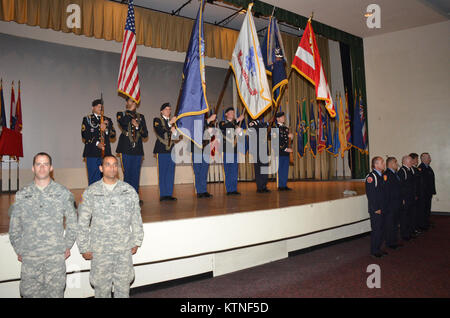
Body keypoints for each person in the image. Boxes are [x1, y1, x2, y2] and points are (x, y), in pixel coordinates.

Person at [8, 152, 77, 298]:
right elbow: (14, 226)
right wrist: (20, 249)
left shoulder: (62, 193)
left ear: (51, 168)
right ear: (33, 168)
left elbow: (72, 222)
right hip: (31, 259)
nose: (42, 167)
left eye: (45, 164)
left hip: (55, 258)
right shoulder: (22, 195)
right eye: (38, 164)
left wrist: (66, 245)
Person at [77, 155, 144, 298]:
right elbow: (82, 222)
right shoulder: (90, 192)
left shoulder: (129, 190)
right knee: (101, 290)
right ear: (101, 168)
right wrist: (84, 246)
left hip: (123, 249)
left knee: (123, 289)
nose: (112, 168)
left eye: (114, 164)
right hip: (100, 251)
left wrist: (137, 240)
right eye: (107, 164)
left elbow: (136, 218)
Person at [116, 97, 148, 204]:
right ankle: (126, 197)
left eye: (133, 101)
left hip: (137, 148)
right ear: (127, 103)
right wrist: (130, 113)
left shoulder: (141, 117)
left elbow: (145, 134)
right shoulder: (121, 114)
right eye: (130, 101)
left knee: (136, 173)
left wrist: (138, 126)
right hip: (126, 147)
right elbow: (123, 123)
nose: (132, 102)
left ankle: (135, 197)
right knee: (128, 173)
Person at [82, 99, 116, 185]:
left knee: (106, 177)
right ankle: (93, 197)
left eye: (101, 107)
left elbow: (113, 135)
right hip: (92, 152)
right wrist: (97, 143)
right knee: (93, 177)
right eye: (98, 106)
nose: (100, 108)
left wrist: (106, 129)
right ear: (93, 108)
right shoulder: (87, 119)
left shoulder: (107, 120)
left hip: (105, 153)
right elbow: (85, 134)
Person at [153, 102, 178, 201]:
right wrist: (170, 123)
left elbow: (176, 138)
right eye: (166, 109)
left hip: (172, 149)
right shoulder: (157, 120)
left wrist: (175, 132)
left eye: (169, 109)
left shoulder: (173, 122)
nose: (169, 111)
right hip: (161, 149)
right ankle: (163, 194)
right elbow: (160, 130)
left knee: (170, 172)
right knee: (162, 171)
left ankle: (169, 193)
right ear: (161, 111)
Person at [365, 156, 387, 258]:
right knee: (376, 230)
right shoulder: (371, 177)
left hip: (382, 207)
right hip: (376, 209)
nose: (384, 164)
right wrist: (376, 208)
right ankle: (374, 251)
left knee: (381, 229)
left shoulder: (381, 175)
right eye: (382, 162)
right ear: (376, 165)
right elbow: (371, 195)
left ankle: (378, 248)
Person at [219, 107, 245, 195]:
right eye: (230, 112)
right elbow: (227, 127)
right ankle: (229, 189)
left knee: (234, 170)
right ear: (226, 114)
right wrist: (237, 120)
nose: (232, 114)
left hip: (234, 149)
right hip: (227, 149)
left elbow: (240, 136)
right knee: (228, 170)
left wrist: (240, 131)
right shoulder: (222, 123)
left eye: (233, 112)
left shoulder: (235, 124)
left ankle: (234, 189)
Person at [191, 113, 216, 198]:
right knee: (198, 170)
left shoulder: (208, 123)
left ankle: (204, 190)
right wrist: (208, 120)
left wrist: (211, 131)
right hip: (197, 148)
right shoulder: (193, 119)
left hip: (205, 148)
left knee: (204, 170)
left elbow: (211, 135)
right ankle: (199, 191)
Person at [383, 157, 403, 250]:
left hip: (396, 203)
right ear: (390, 164)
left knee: (395, 224)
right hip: (391, 205)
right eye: (395, 162)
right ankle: (390, 243)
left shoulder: (395, 174)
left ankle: (394, 241)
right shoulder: (387, 175)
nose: (397, 164)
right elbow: (386, 192)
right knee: (390, 225)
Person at [248, 115, 271, 193]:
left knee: (265, 168)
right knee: (258, 168)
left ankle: (264, 185)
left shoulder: (261, 123)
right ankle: (260, 187)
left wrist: (269, 126)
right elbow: (257, 128)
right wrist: (267, 123)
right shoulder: (252, 123)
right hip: (257, 149)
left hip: (264, 149)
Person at [274, 111, 293, 191]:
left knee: (285, 169)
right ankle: (280, 185)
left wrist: (291, 138)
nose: (283, 118)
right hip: (280, 151)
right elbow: (276, 142)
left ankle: (284, 185)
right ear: (278, 119)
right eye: (282, 117)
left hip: (286, 152)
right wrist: (285, 149)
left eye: (283, 117)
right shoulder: (275, 128)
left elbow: (286, 140)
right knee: (280, 169)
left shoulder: (286, 128)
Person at [398, 155, 415, 241]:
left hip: (410, 197)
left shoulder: (409, 170)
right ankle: (404, 234)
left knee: (409, 216)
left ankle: (409, 232)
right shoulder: (402, 171)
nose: (412, 162)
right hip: (405, 198)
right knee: (404, 217)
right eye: (411, 161)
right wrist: (402, 199)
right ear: (406, 162)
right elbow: (401, 187)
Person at [418, 152, 436, 230]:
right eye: (428, 158)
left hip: (428, 193)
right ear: (423, 159)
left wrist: (432, 191)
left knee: (427, 209)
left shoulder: (428, 167)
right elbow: (422, 183)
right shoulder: (421, 168)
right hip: (423, 194)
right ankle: (423, 225)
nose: (430, 159)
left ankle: (426, 223)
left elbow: (431, 181)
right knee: (423, 210)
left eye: (429, 157)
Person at [409, 153, 422, 235]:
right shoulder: (409, 170)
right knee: (412, 214)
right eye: (416, 159)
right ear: (412, 160)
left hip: (417, 194)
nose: (417, 161)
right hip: (413, 195)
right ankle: (412, 229)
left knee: (416, 213)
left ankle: (415, 227)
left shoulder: (416, 169)